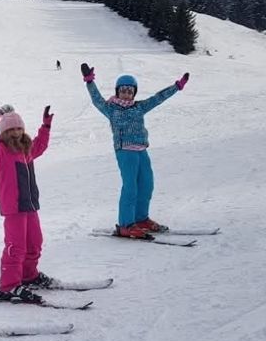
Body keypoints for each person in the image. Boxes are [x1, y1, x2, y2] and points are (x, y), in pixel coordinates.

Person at [80, 63, 189, 239]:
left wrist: (176, 87)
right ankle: (125, 224)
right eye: (123, 90)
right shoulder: (110, 108)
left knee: (147, 185)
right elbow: (96, 99)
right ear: (117, 91)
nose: (127, 94)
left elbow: (157, 98)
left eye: (130, 91)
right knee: (130, 187)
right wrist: (89, 81)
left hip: (141, 150)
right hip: (125, 151)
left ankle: (141, 218)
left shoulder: (139, 107)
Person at [0, 105, 53, 302]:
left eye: (18, 129)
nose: (16, 133)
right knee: (15, 246)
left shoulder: (27, 149)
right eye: (10, 130)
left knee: (35, 241)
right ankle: (9, 285)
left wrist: (46, 126)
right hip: (13, 207)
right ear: (4, 133)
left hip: (30, 204)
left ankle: (29, 275)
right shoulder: (1, 152)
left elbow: (40, 146)